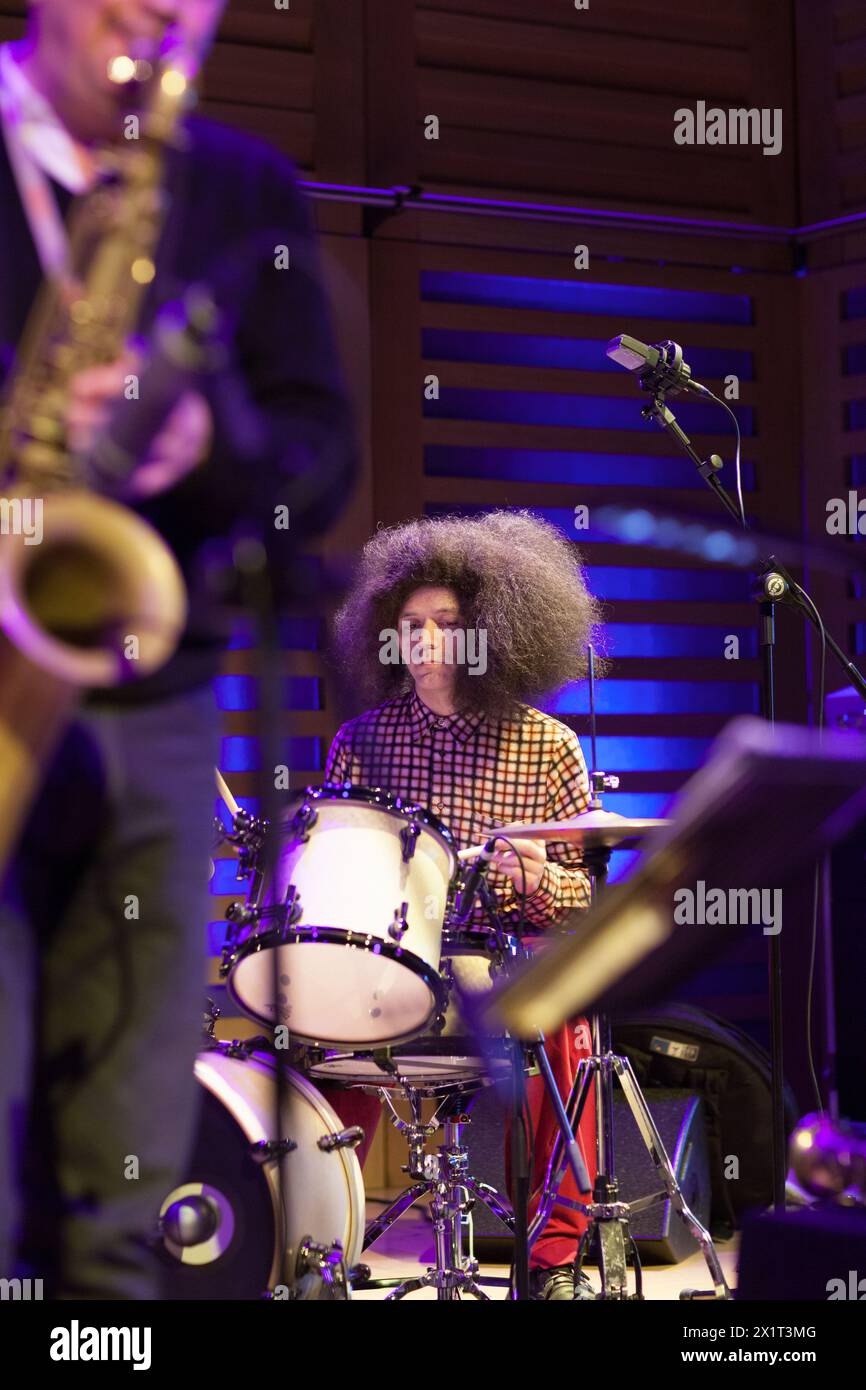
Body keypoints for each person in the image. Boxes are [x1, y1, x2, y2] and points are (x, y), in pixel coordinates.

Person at [0, 0, 356, 1298]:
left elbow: (320, 450)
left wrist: (216, 447)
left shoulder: (239, 187)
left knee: (127, 1146)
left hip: (150, 680)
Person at [320, 510, 602, 1300]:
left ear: (491, 631)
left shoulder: (548, 745)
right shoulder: (361, 743)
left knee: (561, 1018)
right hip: (394, 962)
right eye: (410, 624)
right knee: (312, 1016)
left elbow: (586, 899)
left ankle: (551, 1262)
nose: (425, 639)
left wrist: (538, 877)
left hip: (506, 965)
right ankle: (315, 1235)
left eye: (447, 623)